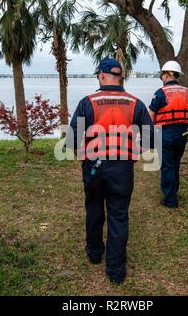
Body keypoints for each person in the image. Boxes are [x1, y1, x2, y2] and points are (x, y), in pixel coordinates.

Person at [66, 58, 154, 285]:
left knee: (94, 209)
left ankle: (95, 253)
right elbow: (151, 138)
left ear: (103, 75)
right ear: (120, 77)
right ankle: (116, 271)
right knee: (118, 216)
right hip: (123, 168)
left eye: (98, 75)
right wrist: (135, 149)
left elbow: (72, 139)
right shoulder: (136, 103)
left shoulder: (88, 102)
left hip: (94, 166)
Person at [149, 61, 188, 208]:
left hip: (166, 133)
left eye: (162, 74)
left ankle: (170, 199)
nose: (161, 77)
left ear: (168, 74)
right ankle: (173, 191)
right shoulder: (187, 92)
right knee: (175, 163)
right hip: (182, 133)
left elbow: (151, 114)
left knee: (167, 165)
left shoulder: (160, 93)